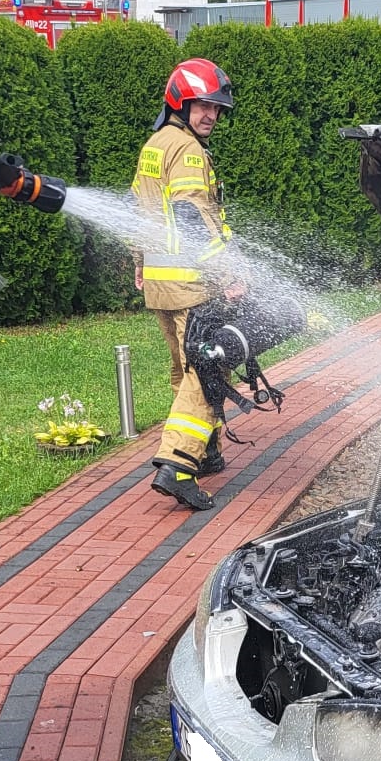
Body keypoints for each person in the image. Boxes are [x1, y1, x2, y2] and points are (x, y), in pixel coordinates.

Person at [131, 58, 238, 512]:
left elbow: (141, 211)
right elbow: (192, 217)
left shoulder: (155, 145)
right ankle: (177, 464)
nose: (210, 115)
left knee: (184, 368)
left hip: (161, 281)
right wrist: (228, 273)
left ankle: (206, 449)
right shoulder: (190, 152)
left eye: (215, 108)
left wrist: (140, 263)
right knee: (206, 369)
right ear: (181, 102)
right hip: (193, 281)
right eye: (202, 106)